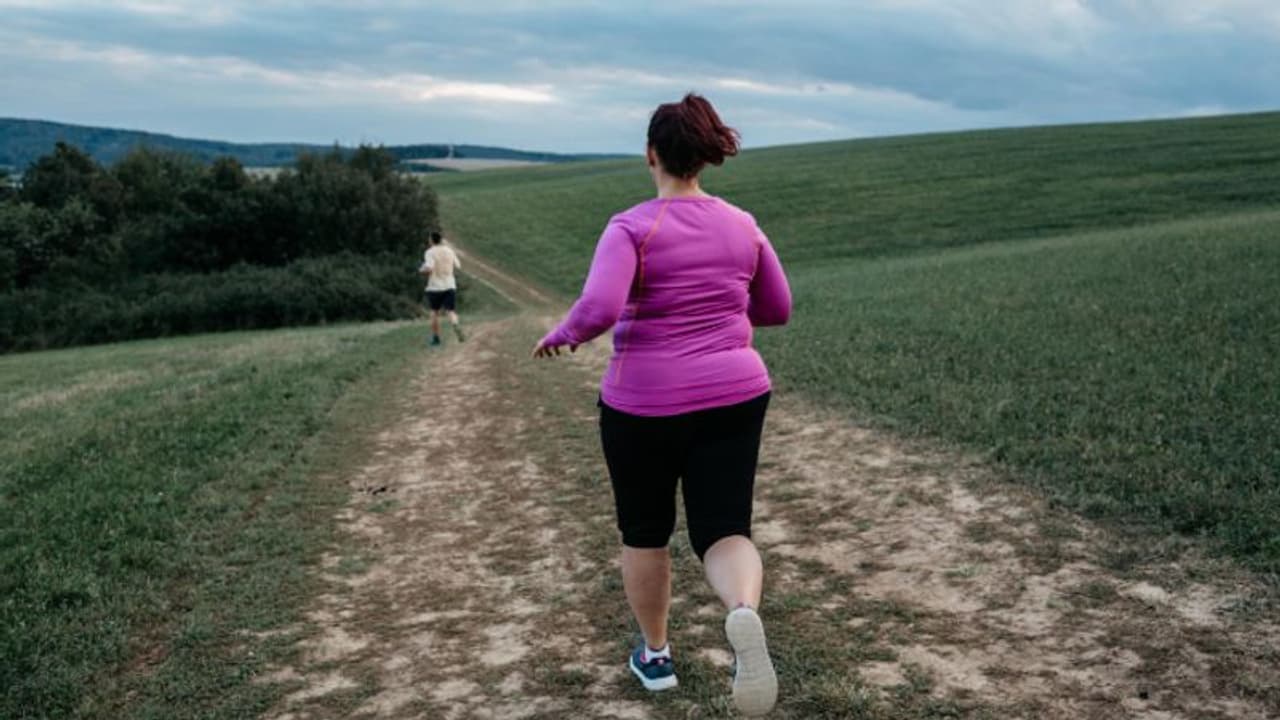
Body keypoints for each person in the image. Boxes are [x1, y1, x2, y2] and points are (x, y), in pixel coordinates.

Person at [532, 93, 791, 716]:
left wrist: (564, 334)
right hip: (736, 393)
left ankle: (656, 657)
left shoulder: (631, 226)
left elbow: (600, 307)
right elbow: (776, 308)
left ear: (651, 155)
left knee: (646, 531)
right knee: (724, 529)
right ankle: (742, 610)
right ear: (703, 155)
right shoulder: (743, 223)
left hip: (643, 404)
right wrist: (722, 315)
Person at [420, 231, 464, 345]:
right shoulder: (450, 251)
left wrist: (421, 270)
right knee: (451, 311)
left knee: (434, 312)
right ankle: (455, 324)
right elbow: (458, 265)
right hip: (449, 285)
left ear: (431, 240)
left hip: (435, 287)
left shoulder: (429, 252)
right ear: (440, 240)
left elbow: (429, 268)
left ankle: (436, 338)